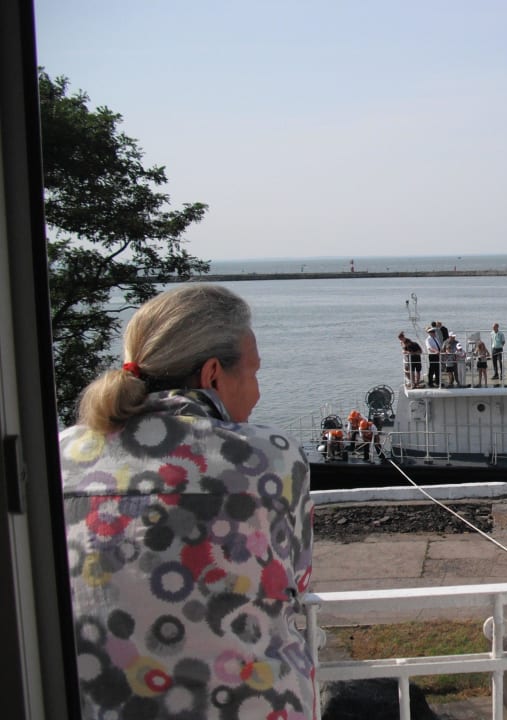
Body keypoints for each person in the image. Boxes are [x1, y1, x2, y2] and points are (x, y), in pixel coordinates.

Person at [57, 284, 316, 719]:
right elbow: (297, 577)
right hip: (250, 705)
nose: (257, 393)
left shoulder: (60, 456)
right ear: (213, 374)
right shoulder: (270, 456)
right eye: (253, 372)